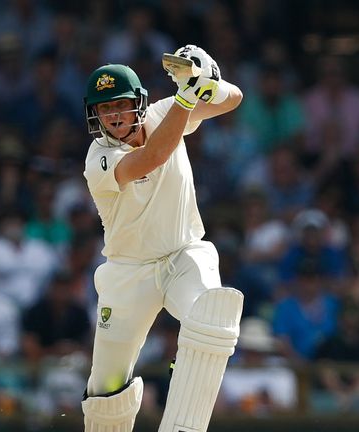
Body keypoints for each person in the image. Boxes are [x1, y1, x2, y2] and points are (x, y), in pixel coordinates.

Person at [79, 45, 244, 432]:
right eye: (105, 109)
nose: (114, 116)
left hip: (183, 255)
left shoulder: (163, 113)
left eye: (120, 104)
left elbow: (233, 99)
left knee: (211, 318)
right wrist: (187, 98)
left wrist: (206, 77)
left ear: (139, 102)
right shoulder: (98, 157)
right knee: (105, 388)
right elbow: (151, 157)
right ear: (95, 114)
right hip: (128, 274)